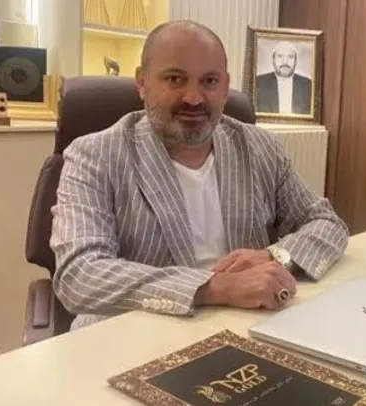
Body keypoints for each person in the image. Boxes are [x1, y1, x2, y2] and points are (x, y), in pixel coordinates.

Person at [50, 20, 349, 330]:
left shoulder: (260, 147)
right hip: (134, 333)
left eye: (209, 81)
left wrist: (277, 256)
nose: (193, 98)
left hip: (246, 326)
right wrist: (217, 288)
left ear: (225, 87)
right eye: (175, 79)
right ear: (142, 83)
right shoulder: (94, 156)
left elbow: (327, 223)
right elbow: (79, 274)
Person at [254, 41, 312, 115]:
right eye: (280, 56)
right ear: (273, 60)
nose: (285, 62)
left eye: (290, 57)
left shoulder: (308, 85)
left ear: (296, 61)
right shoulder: (258, 83)